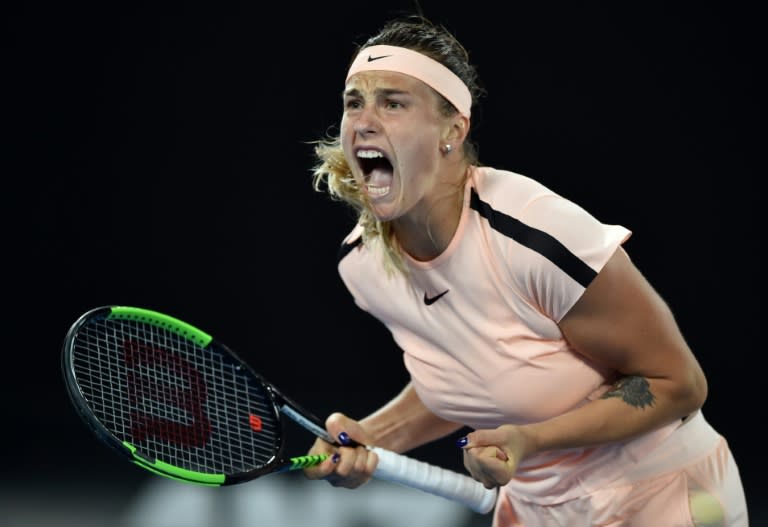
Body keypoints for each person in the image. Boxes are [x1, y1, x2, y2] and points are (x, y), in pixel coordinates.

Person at [302, 14, 749, 526]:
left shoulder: (533, 237)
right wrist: (374, 436)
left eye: (394, 103)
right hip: (534, 510)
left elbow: (678, 383)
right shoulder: (364, 265)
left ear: (452, 130)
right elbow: (481, 377)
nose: (365, 120)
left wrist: (530, 439)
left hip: (657, 496)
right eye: (353, 102)